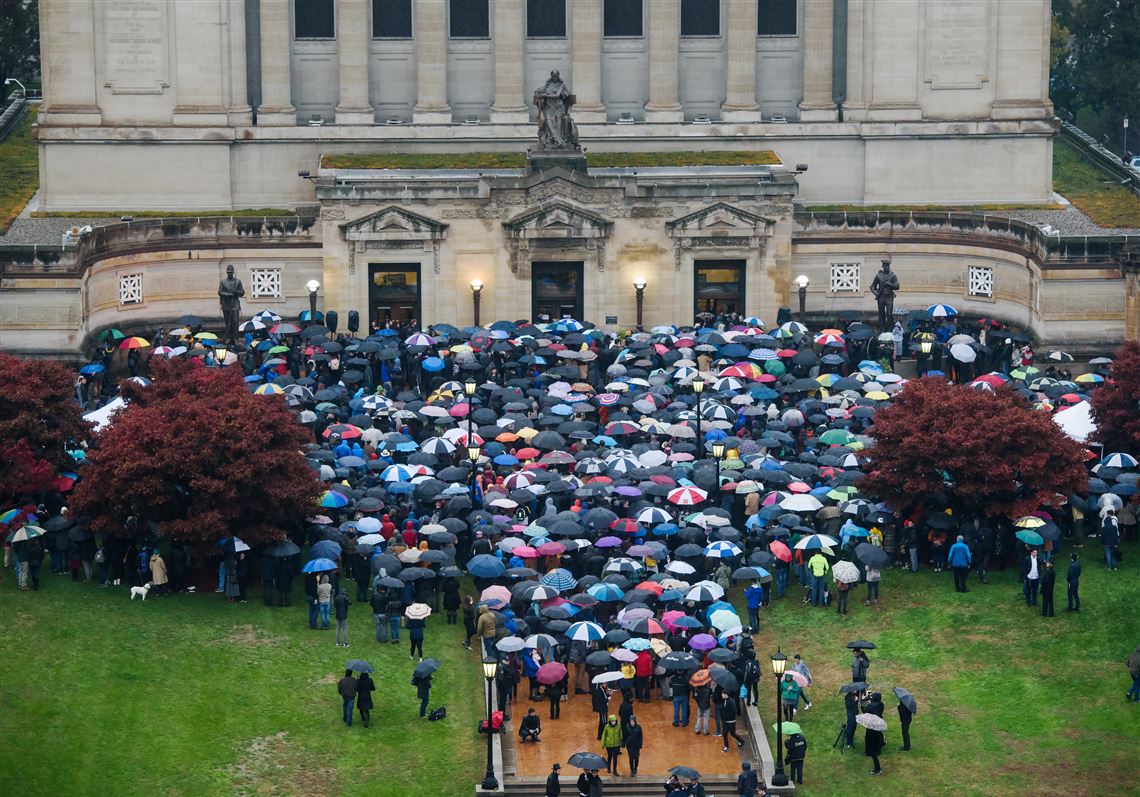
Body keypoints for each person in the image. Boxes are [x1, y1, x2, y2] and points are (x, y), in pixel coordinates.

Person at [863, 691, 885, 775]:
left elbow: (865, 711)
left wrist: (866, 702)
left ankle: (878, 769)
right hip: (878, 727)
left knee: (873, 752)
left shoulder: (870, 706)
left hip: (871, 730)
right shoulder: (881, 705)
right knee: (877, 742)